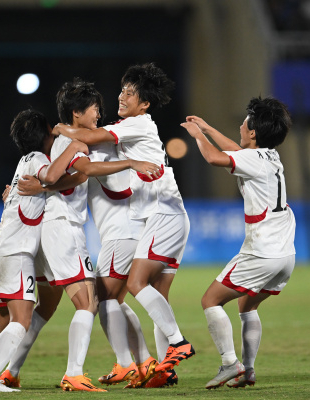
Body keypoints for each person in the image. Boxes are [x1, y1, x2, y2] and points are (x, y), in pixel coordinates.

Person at [0, 78, 161, 393]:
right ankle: (77, 372)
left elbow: (58, 176)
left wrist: (41, 186)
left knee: (44, 310)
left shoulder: (58, 141)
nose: (98, 114)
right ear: (77, 113)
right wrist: (131, 162)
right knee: (90, 301)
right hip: (63, 229)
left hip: (44, 232)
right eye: (94, 109)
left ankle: (10, 371)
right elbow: (86, 169)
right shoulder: (75, 143)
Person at [53, 63, 194, 388]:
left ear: (144, 103)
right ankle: (157, 367)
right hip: (148, 220)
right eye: (97, 108)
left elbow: (111, 178)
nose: (107, 108)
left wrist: (62, 133)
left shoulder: (123, 133)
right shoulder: (123, 134)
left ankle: (135, 361)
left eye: (128, 93)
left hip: (129, 229)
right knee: (144, 294)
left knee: (113, 294)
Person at [0, 109, 88, 393]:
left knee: (3, 323)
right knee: (21, 321)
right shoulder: (37, 161)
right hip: (15, 254)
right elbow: (50, 175)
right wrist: (73, 144)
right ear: (46, 132)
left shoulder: (23, 161)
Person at [180, 96, 296, 389]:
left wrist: (197, 137)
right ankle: (249, 370)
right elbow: (234, 149)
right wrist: (207, 128)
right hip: (286, 255)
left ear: (254, 132)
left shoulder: (254, 160)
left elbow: (214, 158)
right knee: (247, 306)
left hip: (262, 252)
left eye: (244, 123)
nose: (240, 126)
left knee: (210, 300)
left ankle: (231, 364)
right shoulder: (270, 157)